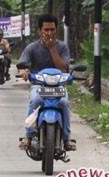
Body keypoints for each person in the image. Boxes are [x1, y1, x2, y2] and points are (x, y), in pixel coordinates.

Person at [17, 14, 75, 151]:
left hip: (58, 85)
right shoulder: (32, 48)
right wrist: (24, 71)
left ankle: (66, 138)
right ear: (40, 31)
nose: (49, 33)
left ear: (56, 30)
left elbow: (64, 68)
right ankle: (29, 136)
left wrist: (52, 49)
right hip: (39, 85)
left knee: (64, 103)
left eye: (52, 30)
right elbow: (21, 65)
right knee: (36, 101)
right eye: (46, 30)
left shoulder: (62, 47)